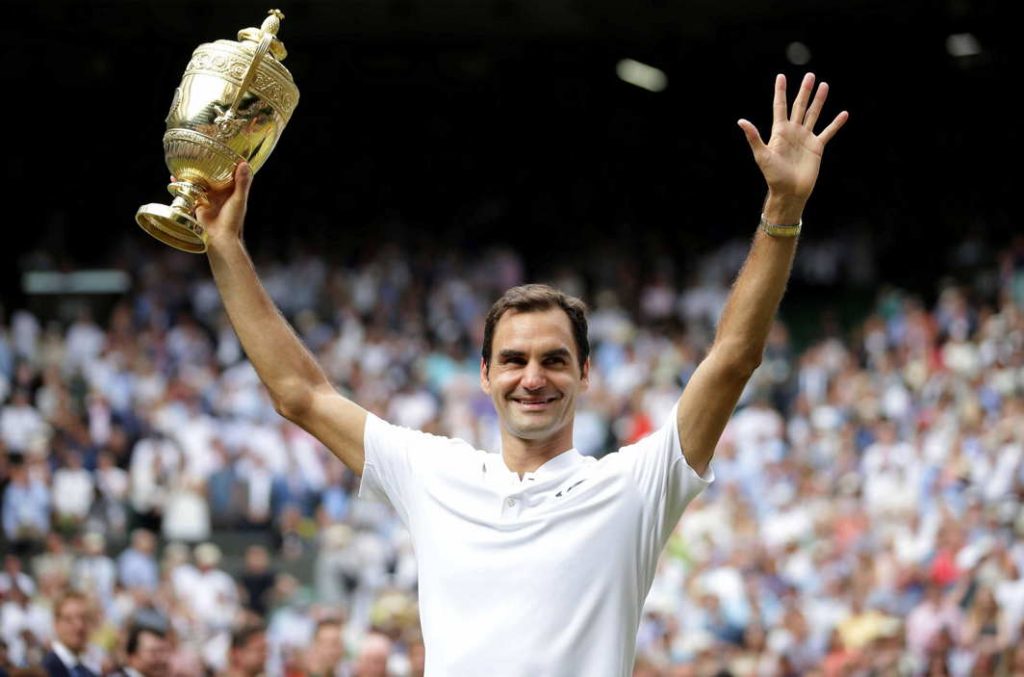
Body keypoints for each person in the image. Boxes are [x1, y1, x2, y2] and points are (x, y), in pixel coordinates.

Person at [196, 72, 847, 675]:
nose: (532, 376)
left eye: (554, 359)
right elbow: (300, 394)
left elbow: (733, 356)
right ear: (484, 374)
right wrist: (225, 248)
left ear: (586, 373)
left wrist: (782, 211)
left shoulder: (633, 487)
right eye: (513, 359)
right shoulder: (433, 472)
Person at [41, 591, 101, 677]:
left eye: (83, 618)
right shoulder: (45, 671)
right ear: (56, 624)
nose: (79, 626)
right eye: (69, 620)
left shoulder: (89, 672)